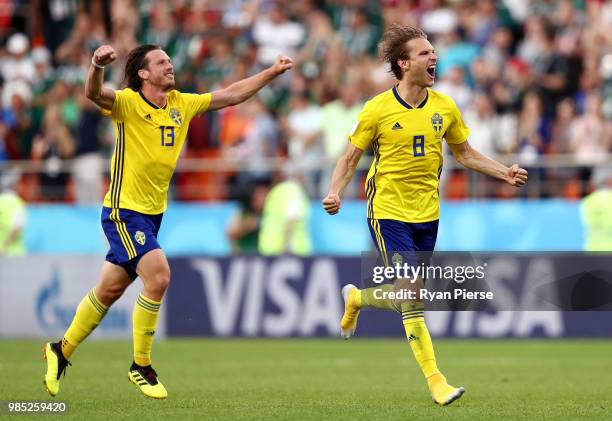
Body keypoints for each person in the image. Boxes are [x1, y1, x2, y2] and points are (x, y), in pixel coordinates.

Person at [42, 43, 293, 399]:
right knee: (159, 277)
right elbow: (93, 92)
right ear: (143, 74)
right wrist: (96, 64)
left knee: (109, 291)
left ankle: (60, 350)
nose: (169, 65)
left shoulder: (182, 103)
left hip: (152, 215)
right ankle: (140, 365)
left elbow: (232, 95)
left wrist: (271, 71)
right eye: (161, 62)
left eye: (169, 60)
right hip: (122, 211)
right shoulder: (127, 103)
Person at [322, 25, 527, 406]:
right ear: (403, 63)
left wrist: (504, 171)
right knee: (414, 294)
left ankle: (357, 300)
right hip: (387, 210)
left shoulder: (444, 107)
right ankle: (437, 381)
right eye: (424, 53)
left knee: (407, 293)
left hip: (428, 213)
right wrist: (335, 191)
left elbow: (464, 154)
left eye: (433, 52)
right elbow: (350, 157)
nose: (433, 57)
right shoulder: (377, 109)